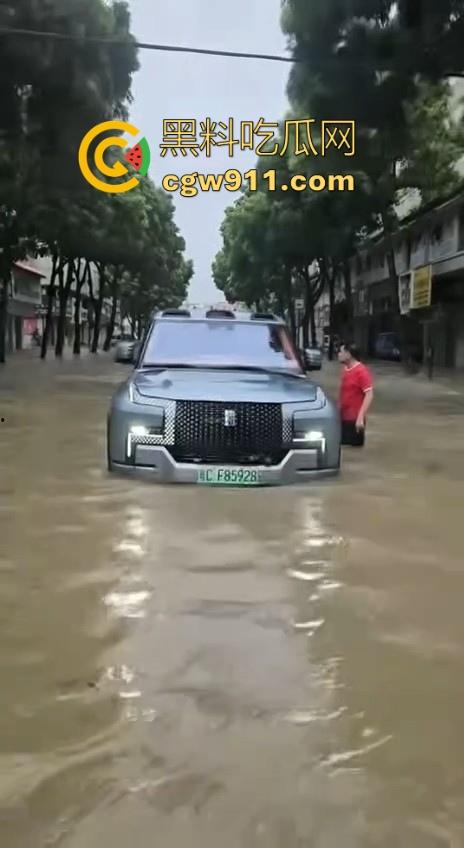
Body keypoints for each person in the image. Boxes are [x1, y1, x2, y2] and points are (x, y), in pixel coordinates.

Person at [338, 342, 374, 447]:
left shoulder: (361, 371)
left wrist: (360, 417)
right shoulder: (345, 369)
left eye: (341, 351)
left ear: (349, 354)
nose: (339, 354)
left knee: (352, 449)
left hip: (355, 421)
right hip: (343, 419)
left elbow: (369, 394)